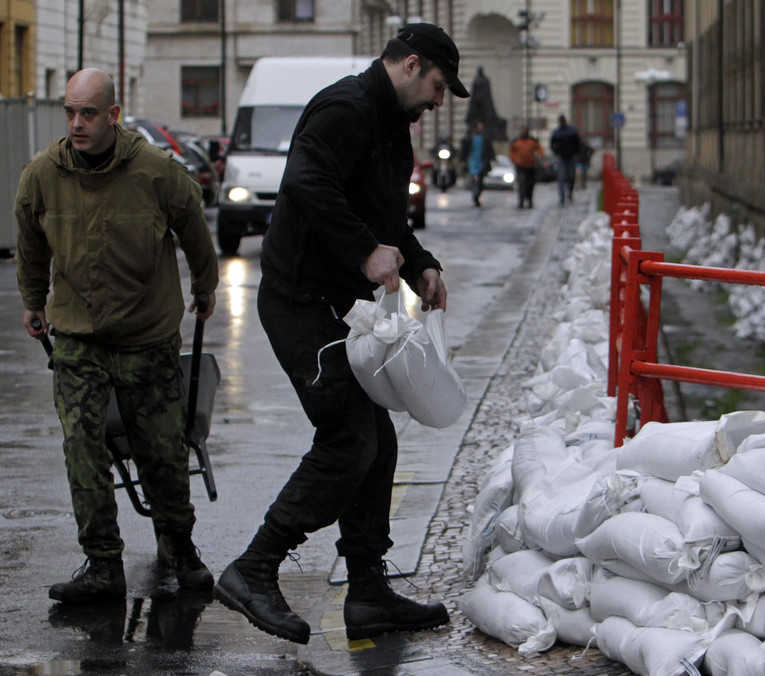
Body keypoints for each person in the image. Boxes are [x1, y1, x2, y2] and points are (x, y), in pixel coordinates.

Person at [212, 23, 466, 645]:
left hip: (338, 307)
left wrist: (421, 260)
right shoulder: (345, 107)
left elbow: (388, 220)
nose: (438, 102)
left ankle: (368, 593)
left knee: (376, 438)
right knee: (351, 437)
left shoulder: (390, 131)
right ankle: (255, 568)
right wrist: (362, 252)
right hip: (300, 302)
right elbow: (306, 182)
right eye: (436, 86)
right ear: (410, 65)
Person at [15, 68, 219, 604]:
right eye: (69, 112)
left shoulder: (156, 171)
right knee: (82, 448)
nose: (76, 124)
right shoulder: (42, 175)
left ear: (113, 115)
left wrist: (206, 286)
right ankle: (104, 563)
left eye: (87, 113)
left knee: (162, 451)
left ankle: (179, 546)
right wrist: (33, 299)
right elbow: (31, 239)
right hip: (79, 336)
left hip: (147, 335)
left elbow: (195, 229)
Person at [549, 115, 583, 204]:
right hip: (561, 157)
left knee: (571, 176)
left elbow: (578, 143)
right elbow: (552, 144)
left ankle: (570, 192)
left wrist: (575, 152)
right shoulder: (557, 133)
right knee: (561, 177)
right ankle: (562, 196)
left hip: (571, 157)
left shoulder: (572, 131)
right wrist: (557, 152)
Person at [508, 127, 544, 209]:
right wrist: (514, 160)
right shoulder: (516, 141)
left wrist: (540, 157)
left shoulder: (532, 141)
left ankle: (529, 200)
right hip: (520, 166)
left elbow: (539, 150)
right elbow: (511, 152)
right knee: (521, 184)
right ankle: (521, 200)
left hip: (530, 167)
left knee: (530, 185)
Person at [461, 120, 494, 207]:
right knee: (475, 180)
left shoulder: (485, 139)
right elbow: (464, 151)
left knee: (480, 181)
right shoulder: (469, 139)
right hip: (472, 163)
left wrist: (492, 158)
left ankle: (477, 194)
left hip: (482, 163)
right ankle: (475, 194)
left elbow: (490, 150)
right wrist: (463, 160)